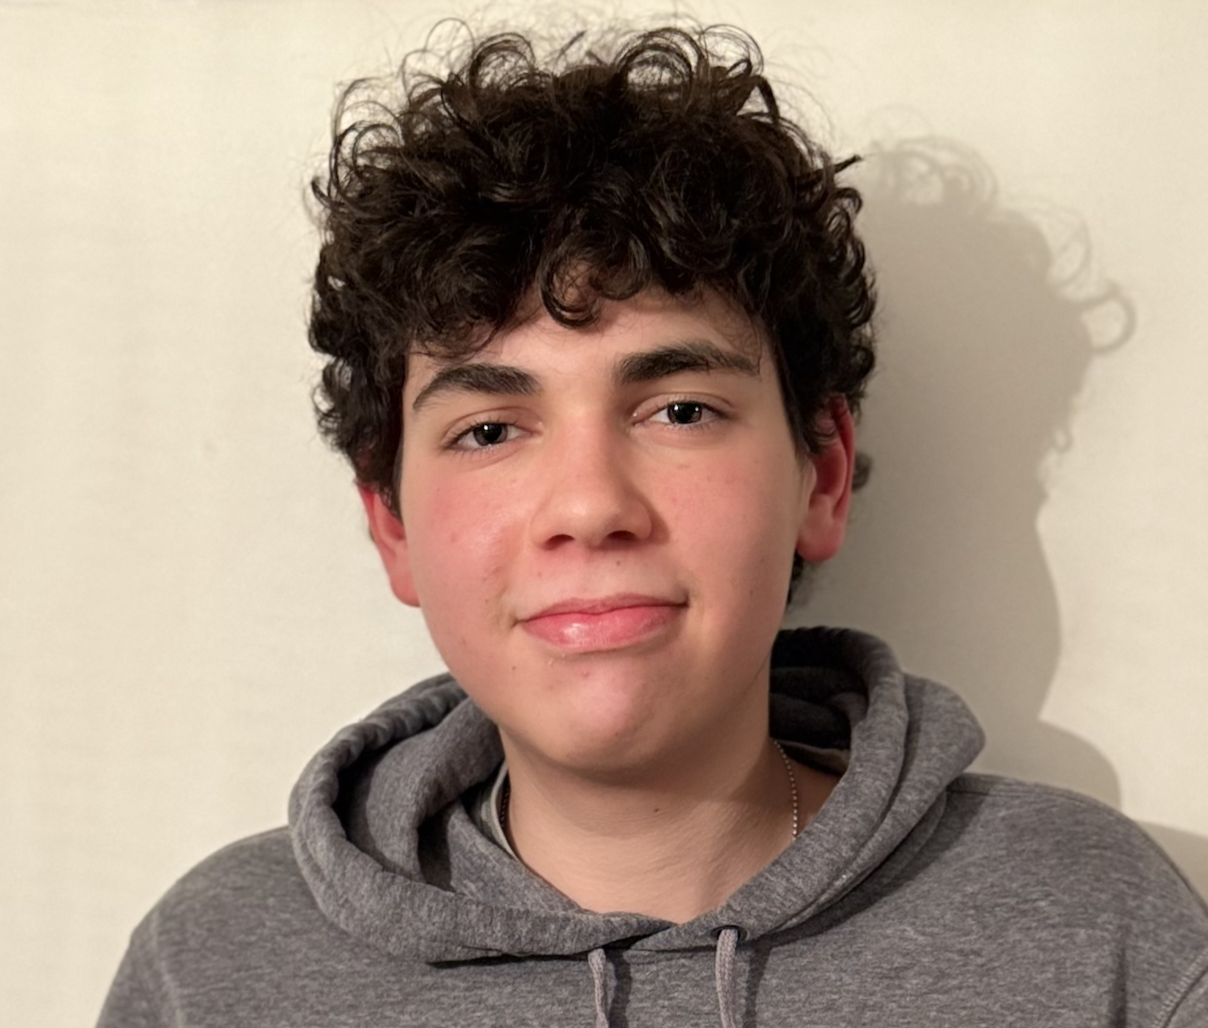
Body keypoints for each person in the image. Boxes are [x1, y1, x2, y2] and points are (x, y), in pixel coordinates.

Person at [98, 24, 1208, 1027]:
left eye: (678, 409)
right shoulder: (215, 969)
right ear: (390, 523)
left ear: (819, 475)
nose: (589, 506)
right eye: (490, 428)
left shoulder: (1095, 933)